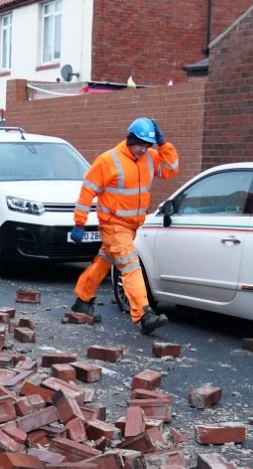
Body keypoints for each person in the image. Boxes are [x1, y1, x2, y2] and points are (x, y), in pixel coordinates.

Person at [69, 117, 178, 334]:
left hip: (131, 227)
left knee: (103, 262)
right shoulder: (108, 160)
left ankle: (82, 299)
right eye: (140, 144)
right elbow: (87, 191)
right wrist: (79, 223)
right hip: (113, 225)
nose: (143, 149)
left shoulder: (150, 158)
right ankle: (144, 314)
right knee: (130, 265)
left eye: (148, 145)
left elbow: (170, 169)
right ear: (130, 139)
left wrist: (163, 144)